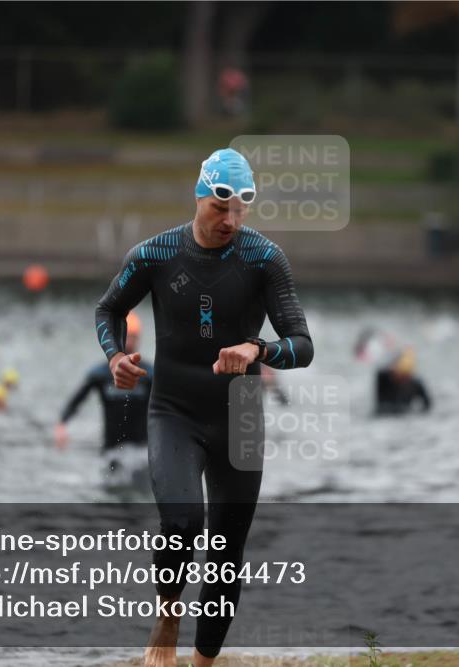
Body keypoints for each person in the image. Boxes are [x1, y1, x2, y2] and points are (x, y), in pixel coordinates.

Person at [95, 148, 313, 667]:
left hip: (239, 418)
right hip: (173, 410)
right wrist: (115, 356)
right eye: (221, 209)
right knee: (184, 519)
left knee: (226, 551)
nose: (231, 222)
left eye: (241, 211)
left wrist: (258, 350)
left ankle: (202, 663)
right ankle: (168, 614)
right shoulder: (155, 253)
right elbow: (108, 309)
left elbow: (302, 345)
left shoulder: (264, 259)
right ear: (199, 196)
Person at [54, 311, 153, 459]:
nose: (130, 342)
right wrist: (62, 424)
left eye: (134, 337)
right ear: (118, 337)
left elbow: (166, 405)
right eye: (127, 337)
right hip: (110, 451)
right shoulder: (100, 374)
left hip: (141, 451)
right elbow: (78, 399)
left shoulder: (148, 374)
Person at [375, 347, 432, 415]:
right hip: (385, 415)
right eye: (399, 373)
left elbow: (428, 405)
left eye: (405, 375)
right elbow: (379, 370)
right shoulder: (384, 379)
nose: (402, 378)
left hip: (404, 414)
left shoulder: (416, 384)